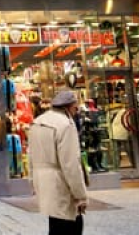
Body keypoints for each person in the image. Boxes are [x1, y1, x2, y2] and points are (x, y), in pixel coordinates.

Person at [28, 90, 87, 235]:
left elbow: (31, 156)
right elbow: (71, 164)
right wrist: (80, 195)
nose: (76, 112)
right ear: (68, 107)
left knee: (55, 225)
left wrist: (32, 181)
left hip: (43, 182)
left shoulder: (37, 122)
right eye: (75, 108)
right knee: (71, 225)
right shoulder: (65, 125)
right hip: (61, 184)